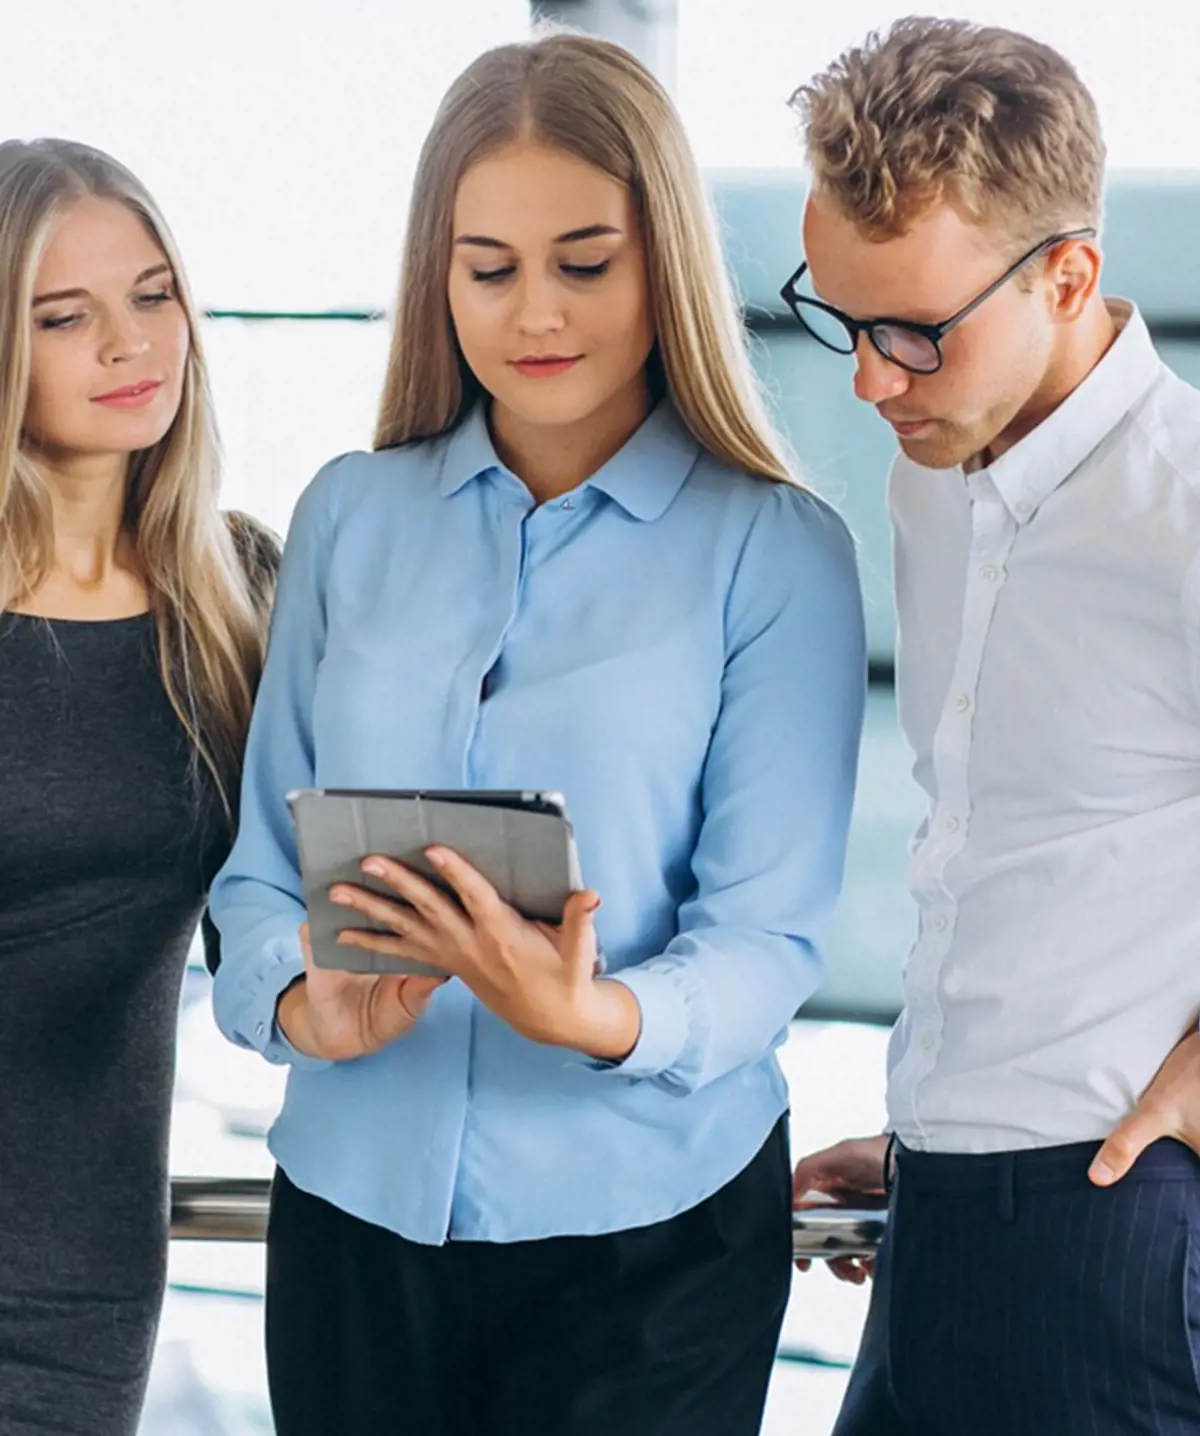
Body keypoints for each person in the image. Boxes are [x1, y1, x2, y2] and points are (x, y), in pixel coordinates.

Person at [210, 30, 866, 1436]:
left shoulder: (778, 554)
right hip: (350, 1216)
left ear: (664, 264)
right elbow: (259, 869)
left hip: (655, 1244)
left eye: (586, 261)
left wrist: (597, 1017)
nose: (535, 315)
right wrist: (297, 1003)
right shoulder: (348, 516)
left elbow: (767, 938)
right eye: (488, 267)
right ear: (435, 276)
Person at [783, 18, 1200, 1435]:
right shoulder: (933, 481)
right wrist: (942, 1133)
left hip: (1119, 1231)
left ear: (1069, 274)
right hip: (946, 1211)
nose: (868, 380)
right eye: (841, 320)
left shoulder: (1187, 509)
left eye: (914, 332)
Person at [0, 138, 277, 1435]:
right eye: (66, 316)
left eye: (154, 295)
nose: (132, 344)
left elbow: (291, 914)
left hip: (82, 1271)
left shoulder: (240, 598)